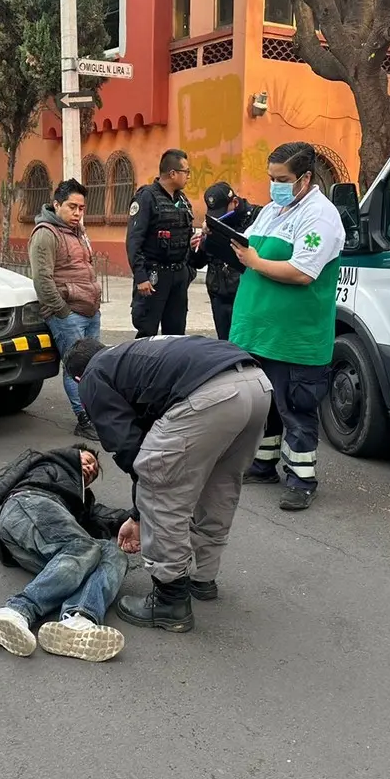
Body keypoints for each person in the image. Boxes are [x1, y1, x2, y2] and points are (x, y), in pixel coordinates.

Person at [63, 335, 272, 633]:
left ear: (78, 377)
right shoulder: (132, 356)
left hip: (210, 395)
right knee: (219, 486)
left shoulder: (94, 376)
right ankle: (203, 577)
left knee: (158, 484)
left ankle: (170, 601)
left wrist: (143, 509)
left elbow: (131, 449)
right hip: (256, 383)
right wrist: (137, 515)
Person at [0, 445, 130, 662]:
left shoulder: (83, 502)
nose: (91, 468)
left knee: (113, 554)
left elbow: (113, 517)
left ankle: (79, 620)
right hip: (28, 505)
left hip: (52, 540)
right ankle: (17, 611)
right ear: (71, 454)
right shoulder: (44, 459)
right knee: (85, 546)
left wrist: (144, 518)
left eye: (95, 470)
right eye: (87, 460)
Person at [230, 142, 346, 513]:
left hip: (294, 338)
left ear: (306, 178)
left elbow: (301, 272)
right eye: (271, 178)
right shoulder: (273, 210)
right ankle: (264, 465)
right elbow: (252, 248)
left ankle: (301, 478)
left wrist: (254, 261)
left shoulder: (320, 217)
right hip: (260, 334)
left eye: (282, 179)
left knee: (296, 409)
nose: (274, 185)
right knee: (265, 407)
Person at [28, 178, 102, 440]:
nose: (77, 213)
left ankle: (95, 414)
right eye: (72, 207)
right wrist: (63, 312)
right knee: (77, 367)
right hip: (68, 314)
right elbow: (42, 280)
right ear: (56, 204)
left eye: (81, 208)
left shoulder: (77, 231)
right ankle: (83, 419)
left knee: (94, 365)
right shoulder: (46, 234)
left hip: (89, 310)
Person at [125, 149, 200, 338]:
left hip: (178, 275)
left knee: (176, 334)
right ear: (173, 173)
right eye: (186, 172)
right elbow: (134, 240)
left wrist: (188, 269)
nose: (188, 177)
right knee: (147, 332)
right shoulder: (146, 197)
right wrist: (141, 276)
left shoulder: (182, 200)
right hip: (154, 276)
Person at [190, 181, 261, 341]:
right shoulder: (213, 224)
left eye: (222, 211)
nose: (218, 218)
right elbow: (197, 262)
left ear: (234, 203)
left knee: (246, 346)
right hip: (218, 295)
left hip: (245, 295)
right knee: (225, 345)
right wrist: (198, 245)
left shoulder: (257, 218)